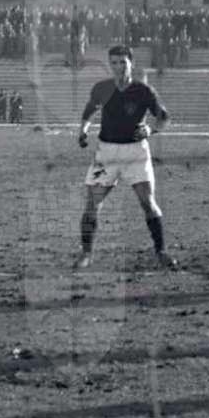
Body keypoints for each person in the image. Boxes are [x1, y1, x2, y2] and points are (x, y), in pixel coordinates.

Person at [75, 45, 178, 270]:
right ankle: (86, 254)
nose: (118, 67)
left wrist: (150, 129)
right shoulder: (102, 88)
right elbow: (89, 110)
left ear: (131, 63)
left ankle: (161, 251)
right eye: (114, 63)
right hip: (107, 153)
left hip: (135, 152)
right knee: (92, 204)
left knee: (147, 202)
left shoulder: (143, 91)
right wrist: (83, 130)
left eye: (123, 62)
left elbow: (164, 117)